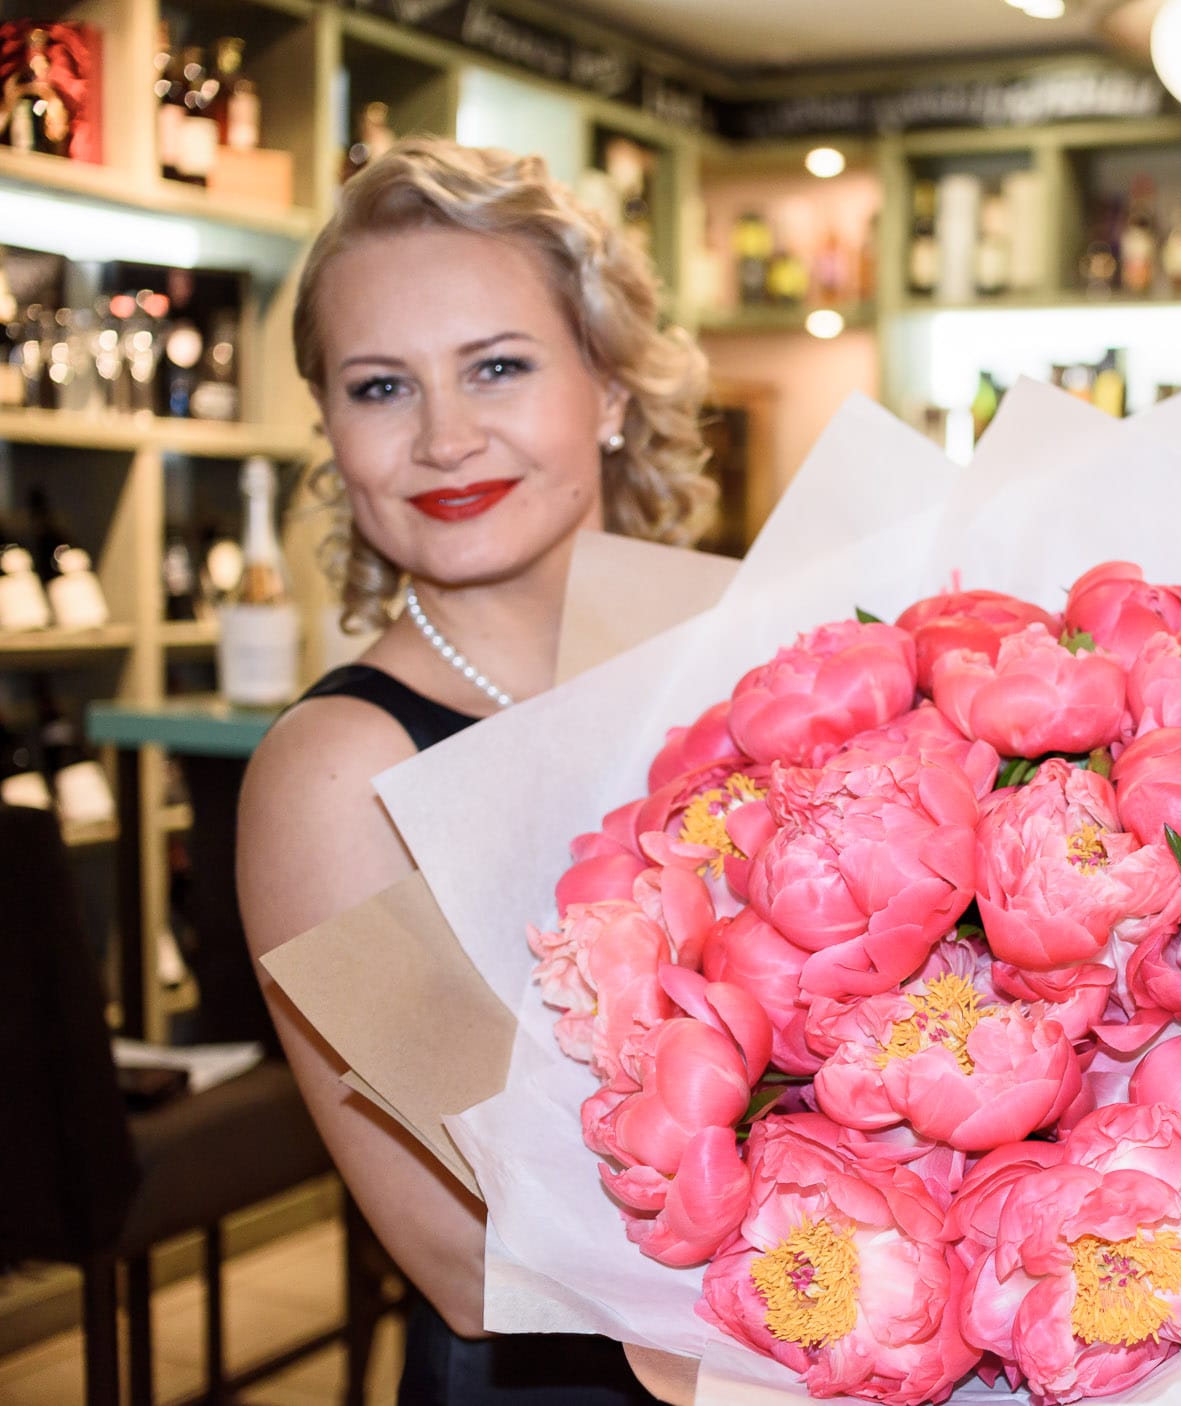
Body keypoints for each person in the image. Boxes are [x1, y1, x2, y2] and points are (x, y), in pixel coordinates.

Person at [237, 137, 713, 1400]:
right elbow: (470, 1243)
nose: (446, 436)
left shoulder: (749, 663)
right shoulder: (338, 776)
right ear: (332, 428)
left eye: (497, 366)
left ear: (610, 389)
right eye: (381, 387)